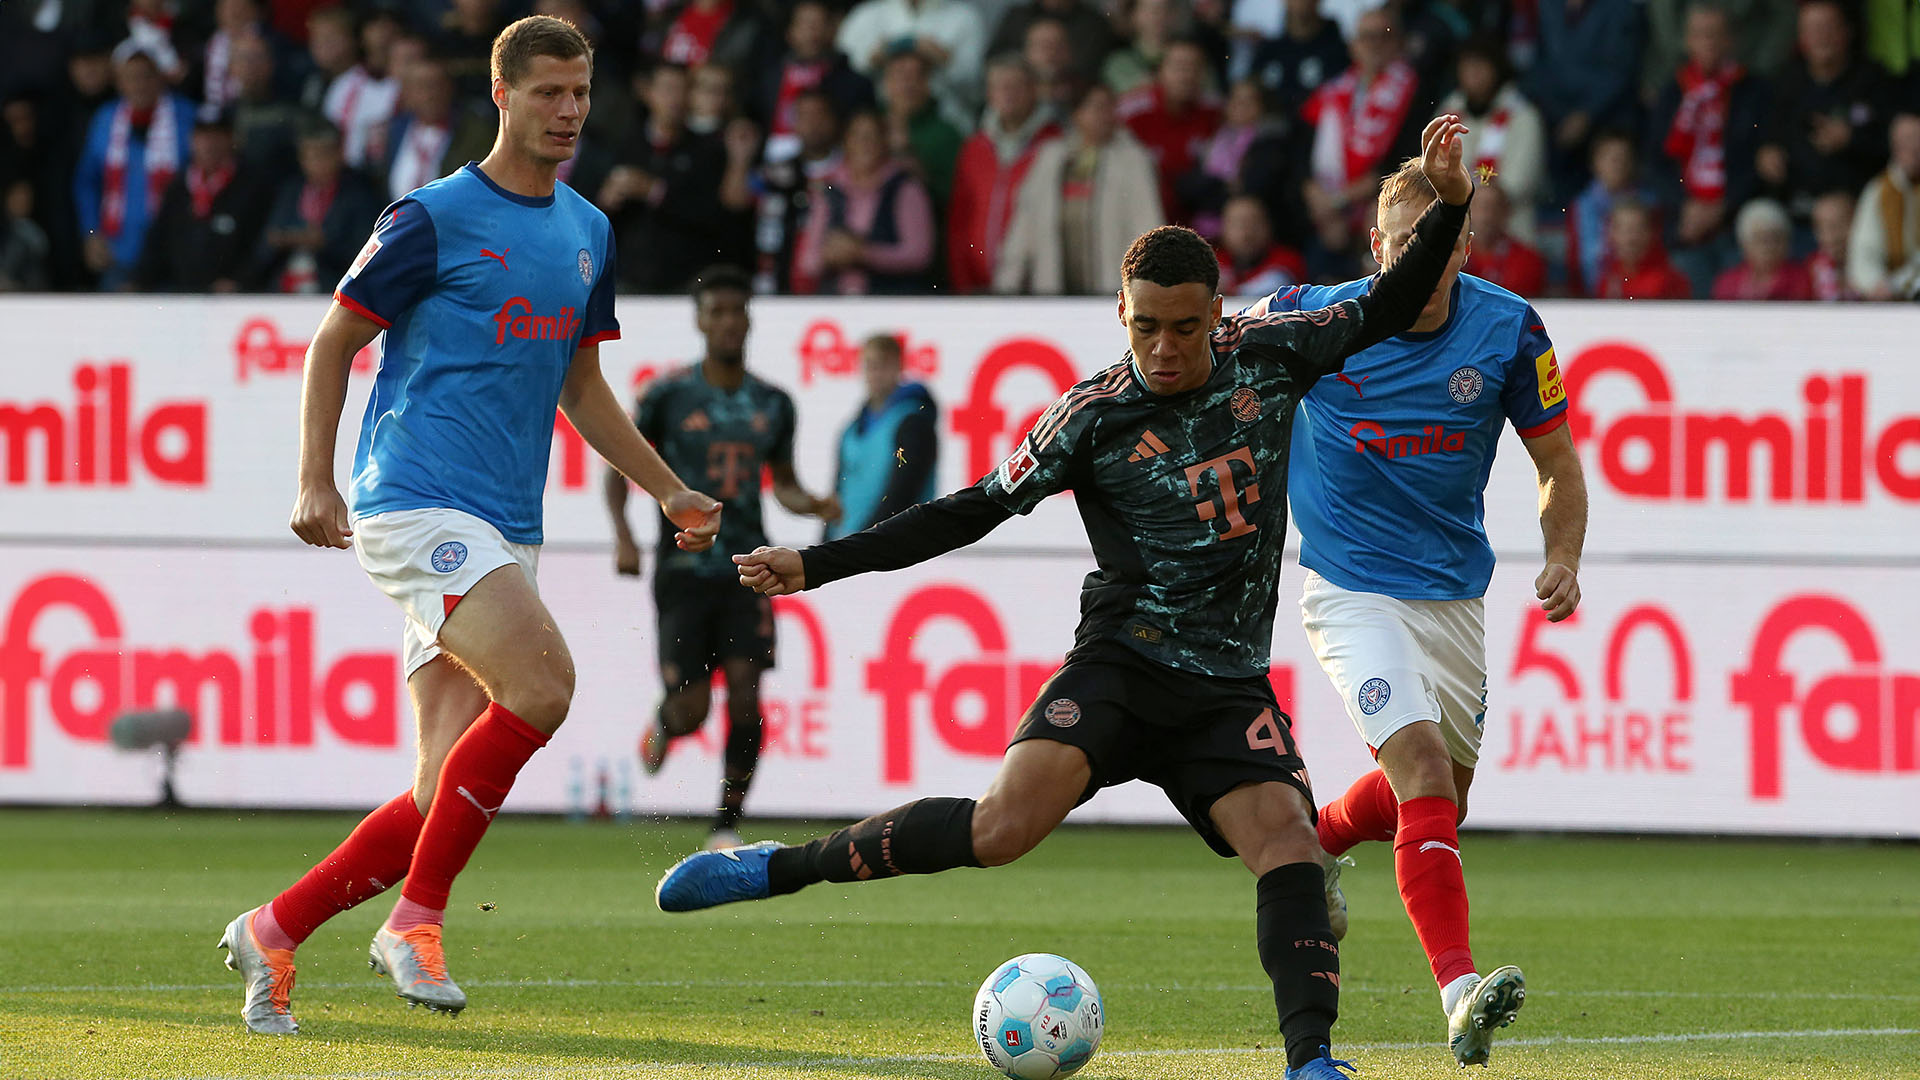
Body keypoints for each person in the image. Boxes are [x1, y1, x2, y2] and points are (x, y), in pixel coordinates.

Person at [656, 115, 1479, 1080]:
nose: (1164, 349)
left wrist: (1452, 202)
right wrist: (819, 563)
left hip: (1224, 683)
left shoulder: (1275, 353)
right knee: (999, 831)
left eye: (1183, 328)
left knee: (1289, 845)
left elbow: (1389, 303)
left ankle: (1312, 1064)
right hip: (1121, 663)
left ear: (1217, 316)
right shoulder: (1088, 416)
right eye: (1144, 327)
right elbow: (968, 511)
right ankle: (771, 867)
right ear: (1120, 317)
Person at [218, 15, 722, 1034]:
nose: (569, 111)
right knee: (546, 686)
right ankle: (415, 922)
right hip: (412, 499)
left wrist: (668, 489)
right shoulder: (433, 217)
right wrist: (315, 481)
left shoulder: (588, 230)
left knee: (438, 788)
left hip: (505, 524)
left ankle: (275, 927)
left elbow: (582, 387)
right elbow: (331, 343)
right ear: (501, 95)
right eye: (548, 93)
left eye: (579, 93)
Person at [1248, 152, 1588, 1069]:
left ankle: (1312, 841)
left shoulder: (1511, 331)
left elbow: (1557, 466)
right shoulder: (1315, 318)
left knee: (1439, 802)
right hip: (1349, 587)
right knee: (1426, 772)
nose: (1420, 261)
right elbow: (1203, 349)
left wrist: (1562, 556)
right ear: (1376, 245)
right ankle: (1459, 995)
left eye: (1437, 243)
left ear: (1464, 246)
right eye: (1402, 243)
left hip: (1452, 597)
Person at [608, 265, 841, 850]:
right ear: (700, 320)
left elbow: (781, 483)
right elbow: (622, 465)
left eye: (738, 312)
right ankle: (666, 723)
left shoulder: (774, 403)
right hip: (684, 571)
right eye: (717, 312)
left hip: (749, 569)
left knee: (745, 693)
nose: (729, 323)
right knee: (691, 710)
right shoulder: (665, 395)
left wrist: (811, 501)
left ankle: (725, 823)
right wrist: (623, 535)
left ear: (750, 320)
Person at [995, 82, 1164, 295]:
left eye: (1109, 107)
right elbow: (1024, 225)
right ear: (1077, 114)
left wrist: (1152, 285)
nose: (1104, 115)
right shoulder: (1050, 158)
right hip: (1053, 289)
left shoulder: (1133, 160)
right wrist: (1005, 285)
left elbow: (1149, 226)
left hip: (1114, 290)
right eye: (1096, 108)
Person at [73, 47, 192, 291]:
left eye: (146, 75)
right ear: (118, 83)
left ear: (160, 77)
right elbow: (87, 181)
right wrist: (92, 232)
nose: (139, 84)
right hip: (119, 252)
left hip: (174, 253)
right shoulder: (106, 119)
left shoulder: (187, 117)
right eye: (130, 77)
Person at [947, 55, 1060, 293]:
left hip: (1035, 288)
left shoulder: (1055, 146)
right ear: (989, 94)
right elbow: (960, 221)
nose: (1008, 93)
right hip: (976, 287)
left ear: (1033, 91)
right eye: (1000, 86)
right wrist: (962, 281)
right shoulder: (974, 148)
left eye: (1016, 86)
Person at [793, 108, 938, 295]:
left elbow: (919, 254)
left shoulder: (906, 189)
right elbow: (807, 261)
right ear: (846, 142)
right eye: (858, 136)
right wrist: (830, 254)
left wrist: (864, 254)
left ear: (884, 142)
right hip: (837, 306)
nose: (865, 144)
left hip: (892, 303)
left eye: (872, 136)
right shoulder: (830, 190)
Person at [133, 106, 271, 293]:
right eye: (203, 136)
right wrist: (138, 281)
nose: (209, 144)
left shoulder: (252, 186)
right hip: (180, 295)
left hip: (232, 300)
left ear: (231, 140)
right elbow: (157, 240)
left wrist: (240, 281)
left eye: (217, 136)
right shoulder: (179, 187)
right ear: (192, 140)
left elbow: (262, 244)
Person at [826, 333, 939, 540]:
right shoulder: (850, 430)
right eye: (870, 365)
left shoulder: (913, 423)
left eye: (883, 365)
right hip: (850, 544)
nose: (876, 373)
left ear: (898, 367)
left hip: (890, 546)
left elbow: (903, 491)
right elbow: (838, 493)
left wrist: (866, 539)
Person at [253, 120, 384, 293]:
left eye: (323, 155)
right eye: (310, 155)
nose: (317, 163)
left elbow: (367, 251)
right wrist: (282, 240)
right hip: (284, 288)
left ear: (339, 154)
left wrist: (326, 244)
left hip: (335, 289)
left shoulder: (359, 194)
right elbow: (265, 246)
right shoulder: (291, 191)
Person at [1846, 112, 1920, 300]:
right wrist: (1874, 283)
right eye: (1906, 140)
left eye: (1917, 139)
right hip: (1889, 298)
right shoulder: (1878, 191)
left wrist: (1898, 284)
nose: (1913, 147)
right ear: (1894, 146)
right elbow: (1863, 249)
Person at [1711, 197, 1813, 299]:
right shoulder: (1727, 283)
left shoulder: (1800, 280)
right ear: (1745, 244)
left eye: (1775, 238)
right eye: (1759, 239)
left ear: (1786, 242)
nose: (1768, 246)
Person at [1595, 197, 1694, 298]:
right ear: (1610, 234)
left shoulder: (1670, 281)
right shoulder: (1608, 279)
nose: (1630, 239)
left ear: (1651, 233)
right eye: (1623, 230)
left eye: (1638, 229)